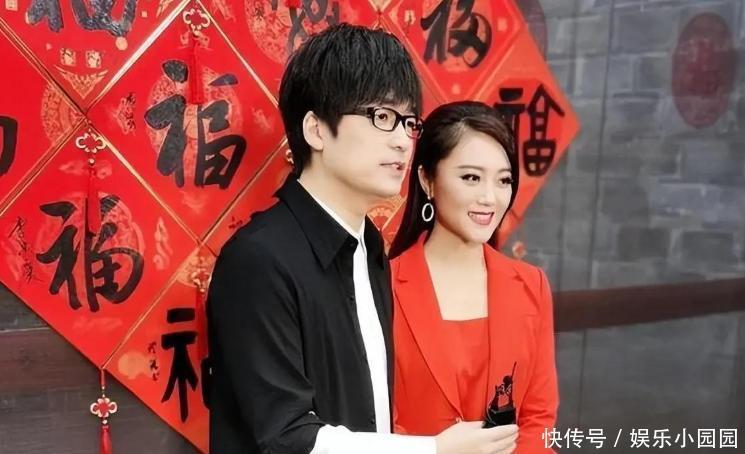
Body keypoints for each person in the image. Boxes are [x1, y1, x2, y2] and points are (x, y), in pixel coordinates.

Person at [207, 25, 517, 454]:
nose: (403, 141)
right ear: (316, 129)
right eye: (382, 117)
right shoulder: (258, 260)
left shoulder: (369, 246)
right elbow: (287, 438)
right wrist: (433, 451)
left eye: (408, 122)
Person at [390, 101, 558, 453]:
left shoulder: (531, 285)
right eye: (471, 177)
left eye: (504, 180)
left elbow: (538, 419)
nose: (490, 198)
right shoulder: (383, 286)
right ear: (427, 180)